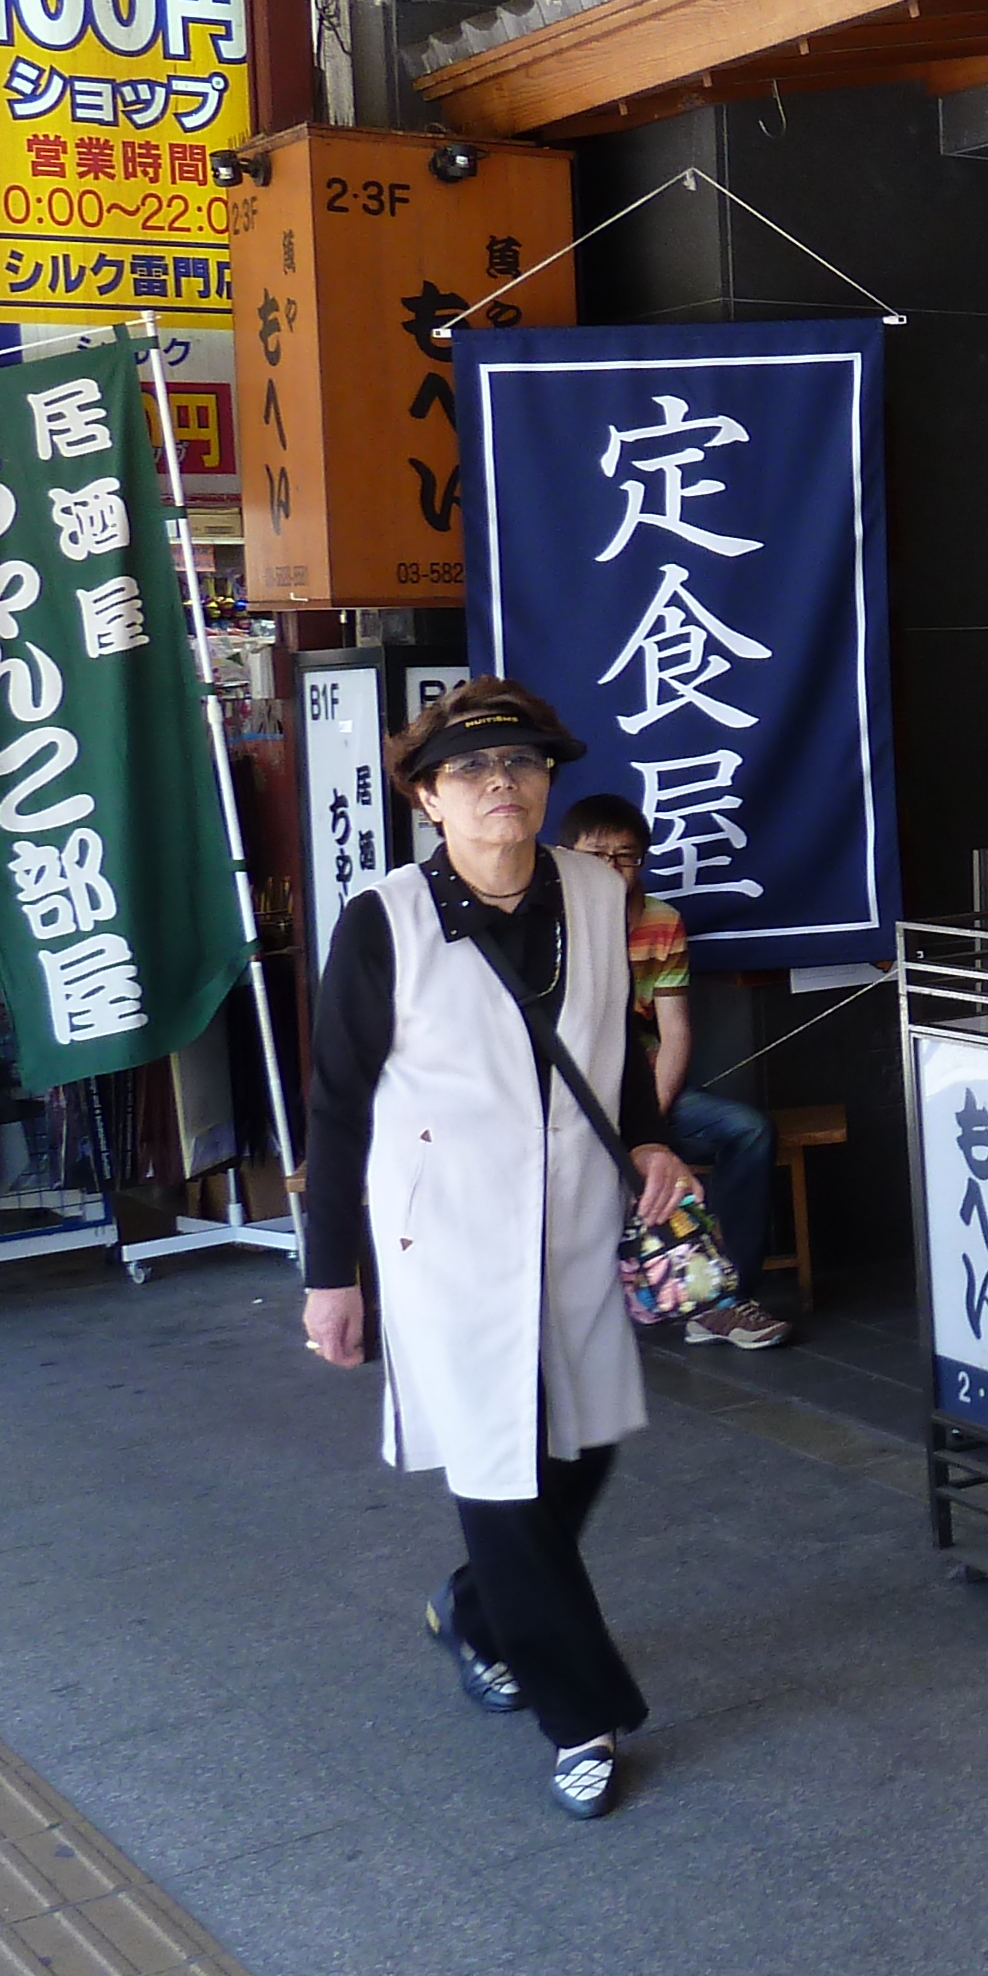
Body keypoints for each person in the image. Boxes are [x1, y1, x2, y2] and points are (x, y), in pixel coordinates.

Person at [300, 679, 697, 1822]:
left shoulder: (594, 892)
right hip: (446, 1237)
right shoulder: (384, 920)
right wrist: (334, 1276)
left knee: (585, 1445)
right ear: (427, 797)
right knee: (500, 1467)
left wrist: (650, 1138)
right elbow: (335, 1107)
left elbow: (614, 1039)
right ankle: (578, 1714)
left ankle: (480, 1610)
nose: (501, 786)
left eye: (521, 766)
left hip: (573, 1218)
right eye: (471, 772)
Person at [557, 791, 788, 1350]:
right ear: (564, 857)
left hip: (643, 1096)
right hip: (563, 1103)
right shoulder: (548, 925)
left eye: (626, 856)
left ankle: (720, 1302)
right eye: (596, 855)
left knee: (748, 1129)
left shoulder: (662, 922)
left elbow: (676, 1031)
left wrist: (647, 1132)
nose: (612, 868)